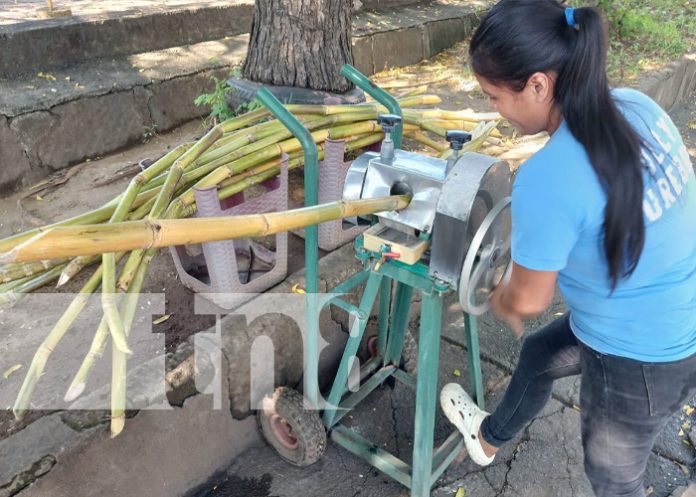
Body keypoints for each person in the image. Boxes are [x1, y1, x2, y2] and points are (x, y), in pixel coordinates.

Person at [439, 1, 696, 496]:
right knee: (540, 354)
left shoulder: (548, 176)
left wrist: (499, 296)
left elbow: (529, 300)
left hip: (638, 356)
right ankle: (488, 440)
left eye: (494, 97)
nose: (494, 108)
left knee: (614, 481)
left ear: (537, 84)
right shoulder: (636, 106)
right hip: (677, 309)